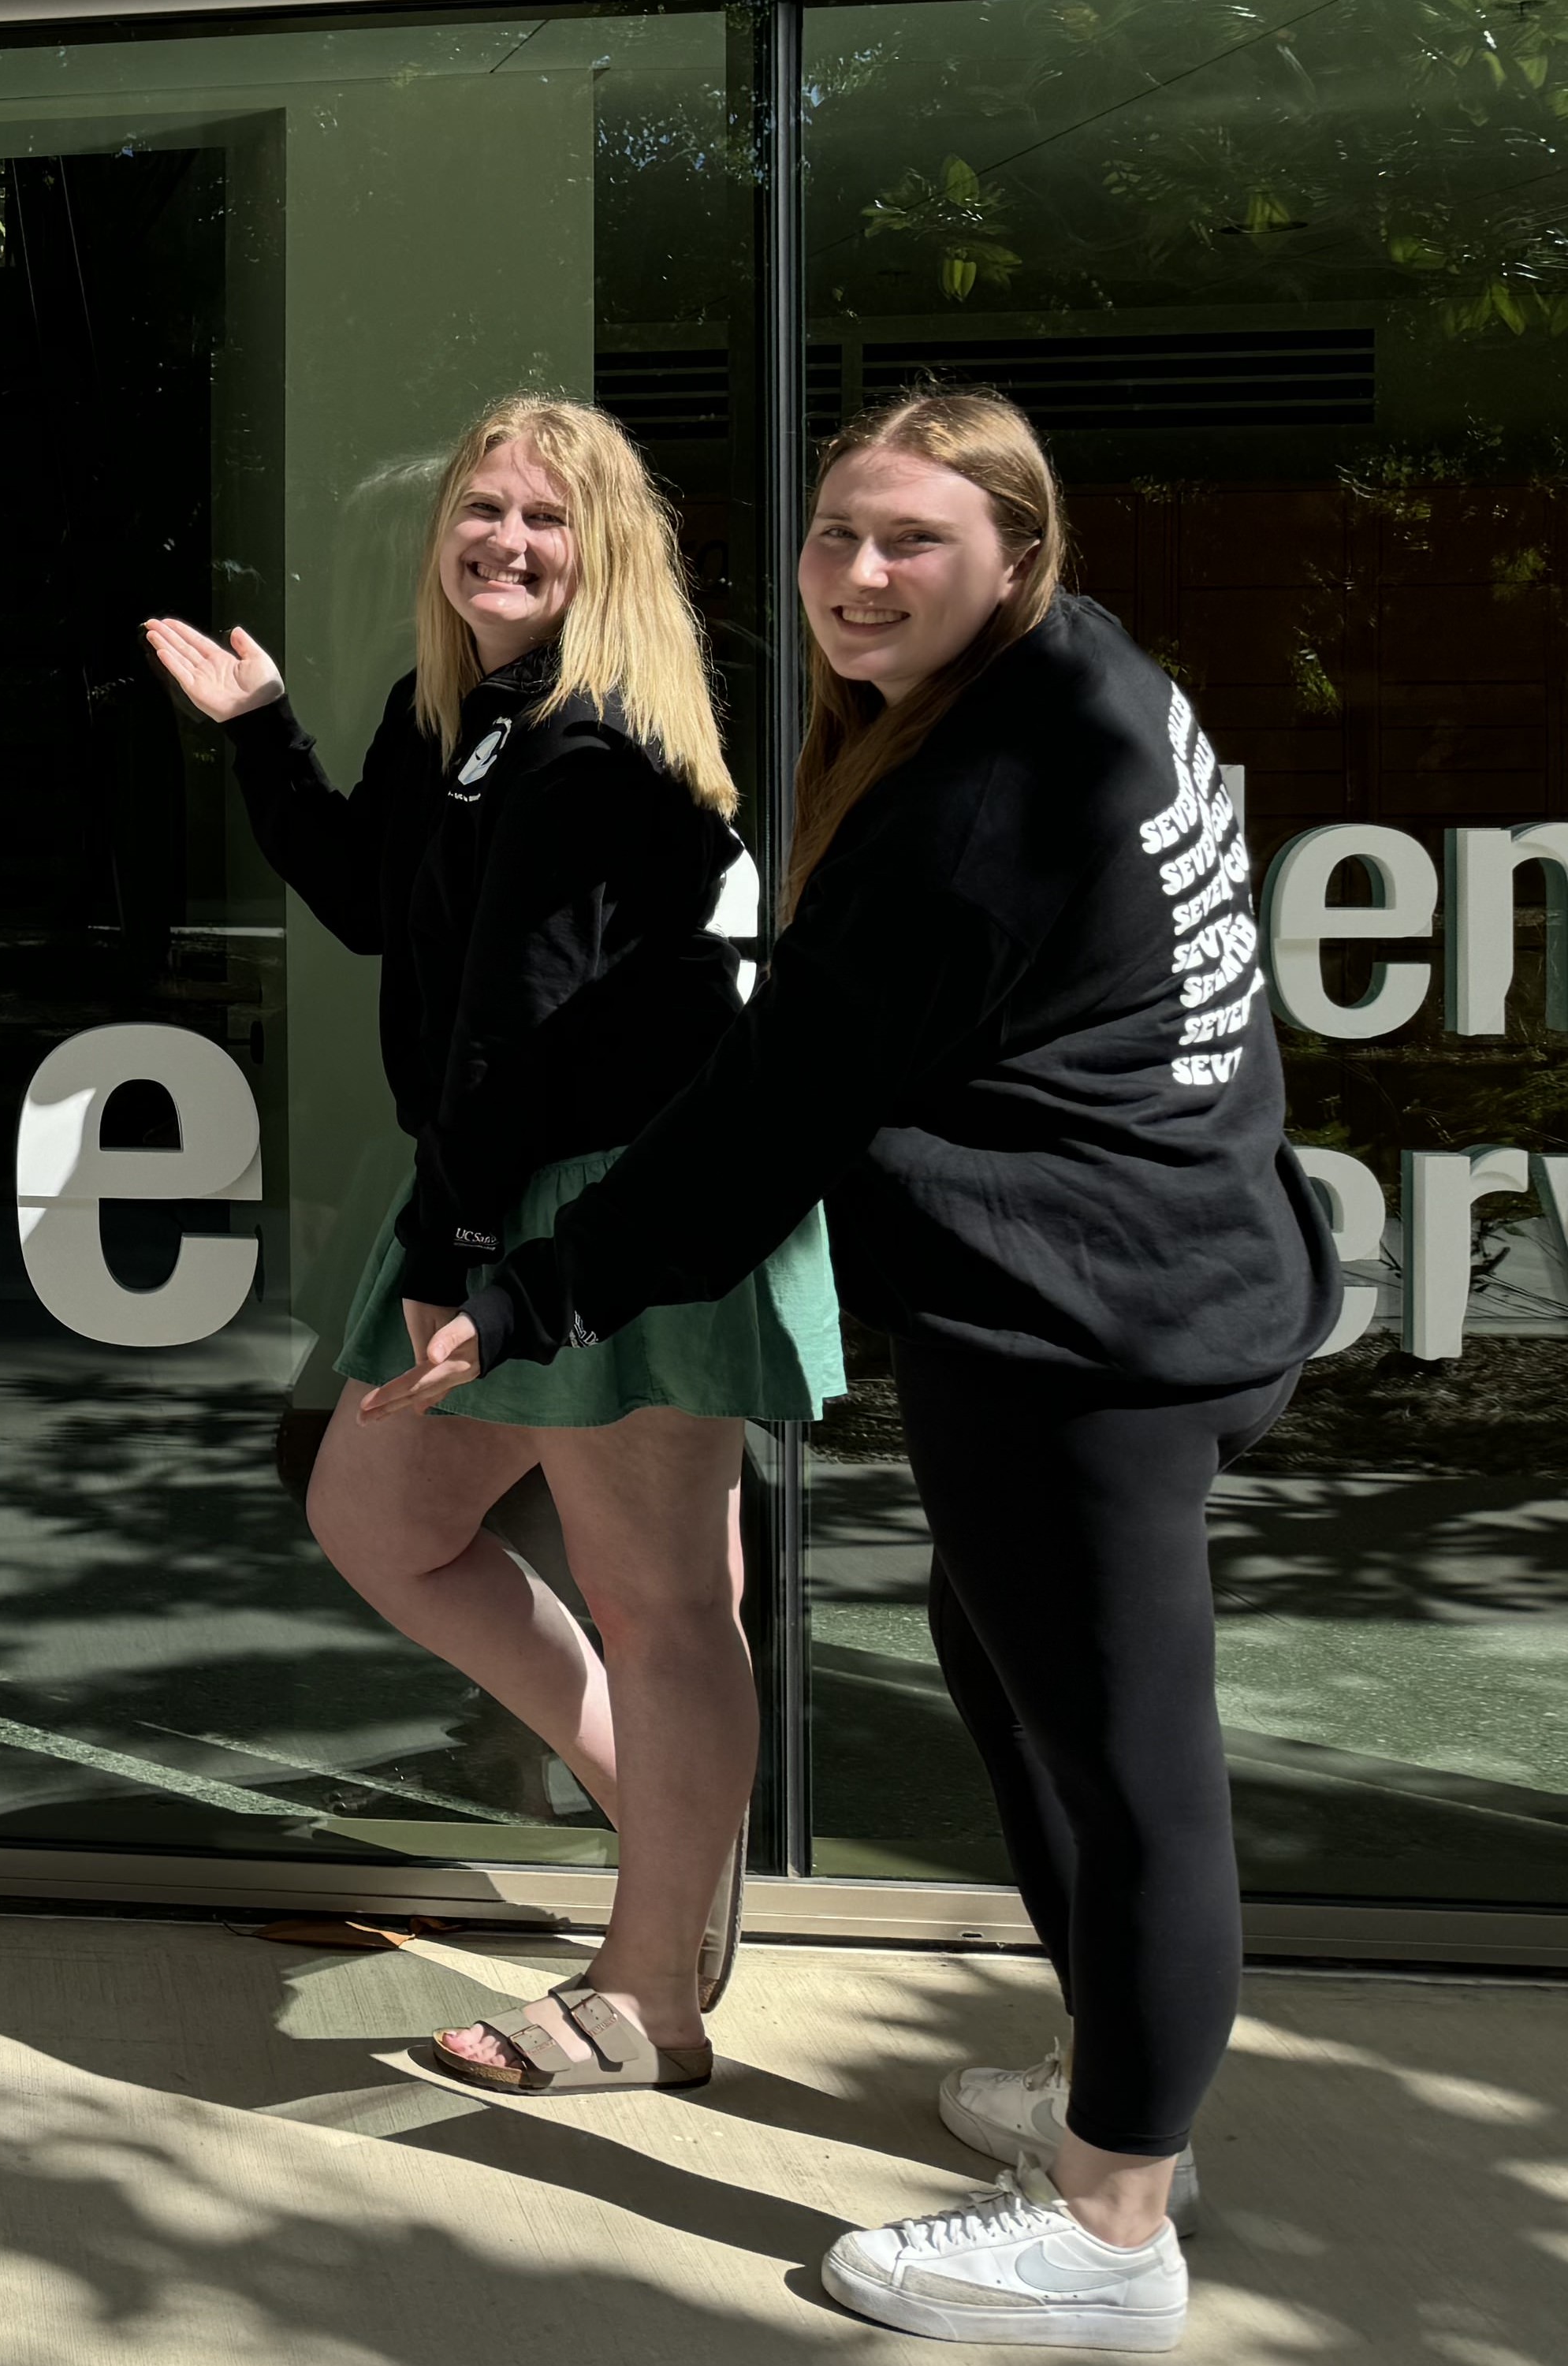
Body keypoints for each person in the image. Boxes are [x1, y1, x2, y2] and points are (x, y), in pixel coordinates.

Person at [374, 388, 1338, 2352]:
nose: (859, 577)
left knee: (1131, 1766)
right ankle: (1108, 2094)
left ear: (1019, 551)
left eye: (913, 542)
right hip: (1144, 1283)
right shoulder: (1088, 685)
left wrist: (550, 1285)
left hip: (1096, 1330)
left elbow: (768, 1118)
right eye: (836, 537)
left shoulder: (982, 799)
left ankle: (1112, 2223)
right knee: (1016, 1675)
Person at [143, 391, 836, 2099]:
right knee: (382, 1512)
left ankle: (646, 1996)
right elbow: (383, 903)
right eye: (482, 510)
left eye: (544, 519)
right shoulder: (469, 716)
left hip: (622, 1197)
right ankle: (668, 1841)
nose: (505, 542)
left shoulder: (596, 742)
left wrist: (461, 1259)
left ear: (605, 552)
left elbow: (517, 1034)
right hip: (511, 1179)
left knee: (664, 1593)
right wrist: (261, 731)